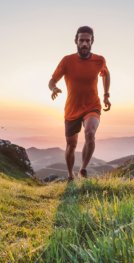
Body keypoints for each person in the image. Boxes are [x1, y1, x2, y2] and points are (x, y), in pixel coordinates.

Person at [48, 25, 111, 181]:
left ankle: (82, 169)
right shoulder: (67, 61)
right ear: (76, 41)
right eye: (81, 40)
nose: (84, 44)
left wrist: (106, 95)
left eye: (87, 41)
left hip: (92, 106)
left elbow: (106, 74)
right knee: (71, 146)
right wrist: (54, 88)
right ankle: (70, 175)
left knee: (90, 133)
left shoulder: (99, 60)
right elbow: (52, 80)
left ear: (92, 42)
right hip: (72, 109)